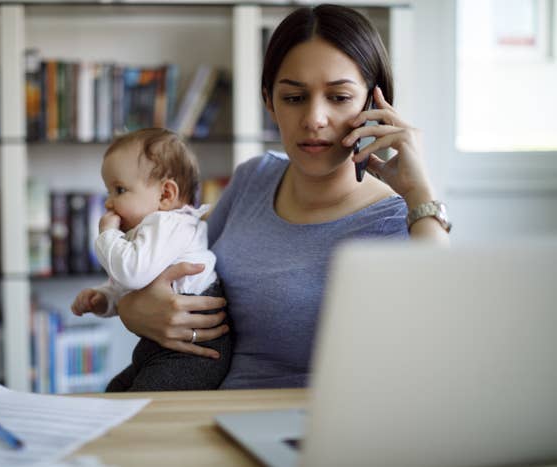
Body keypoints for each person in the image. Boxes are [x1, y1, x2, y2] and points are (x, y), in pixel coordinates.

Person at [113, 4, 451, 389]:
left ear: (374, 105)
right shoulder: (253, 178)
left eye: (339, 97)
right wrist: (131, 308)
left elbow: (440, 339)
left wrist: (420, 193)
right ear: (269, 101)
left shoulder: (401, 219)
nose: (314, 119)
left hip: (310, 432)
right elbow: (172, 261)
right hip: (207, 413)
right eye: (294, 98)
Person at [70, 128, 231, 391]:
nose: (109, 203)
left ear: (165, 195)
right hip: (160, 345)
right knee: (115, 391)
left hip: (192, 353)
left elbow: (132, 272)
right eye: (109, 191)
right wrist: (105, 298)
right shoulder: (150, 231)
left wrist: (107, 234)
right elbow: (133, 286)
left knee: (142, 406)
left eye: (119, 190)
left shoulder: (169, 223)